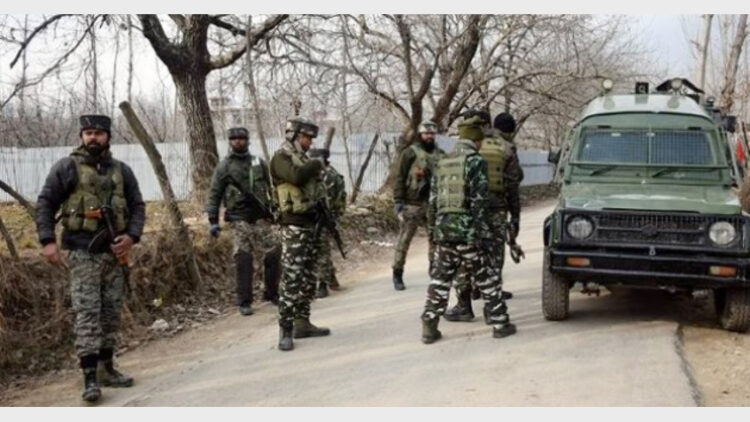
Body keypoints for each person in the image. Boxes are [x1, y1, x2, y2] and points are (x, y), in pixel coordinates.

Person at [35, 114, 146, 403]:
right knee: (87, 314)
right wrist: (47, 241)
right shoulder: (66, 168)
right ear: (81, 136)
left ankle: (107, 368)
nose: (92, 137)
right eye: (88, 133)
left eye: (98, 133)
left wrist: (131, 236)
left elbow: (137, 206)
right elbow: (45, 203)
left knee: (111, 313)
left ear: (108, 136)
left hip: (114, 254)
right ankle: (89, 378)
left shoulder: (122, 171)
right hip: (82, 252)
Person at [421, 115, 516, 344]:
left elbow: (432, 202)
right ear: (475, 139)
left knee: (440, 280)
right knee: (487, 278)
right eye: (480, 140)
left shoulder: (442, 161)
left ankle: (429, 327)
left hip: (444, 232)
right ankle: (500, 324)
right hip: (469, 234)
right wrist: (483, 234)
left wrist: (433, 232)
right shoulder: (475, 161)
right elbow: (479, 203)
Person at [444, 111, 524, 323]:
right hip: (496, 210)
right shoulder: (506, 148)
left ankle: (463, 305)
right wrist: (515, 218)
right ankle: (492, 308)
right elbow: (513, 186)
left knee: (465, 257)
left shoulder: (461, 148)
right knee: (493, 258)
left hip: (466, 211)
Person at [270, 117, 330, 351]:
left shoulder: (304, 158)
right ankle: (285, 329)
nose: (309, 142)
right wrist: (316, 164)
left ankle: (302, 323)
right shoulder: (281, 158)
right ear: (294, 136)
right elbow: (296, 176)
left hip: (312, 224)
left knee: (308, 277)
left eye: (311, 138)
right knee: (292, 279)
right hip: (294, 226)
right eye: (306, 137)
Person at [206, 127, 275, 316]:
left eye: (241, 138)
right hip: (239, 218)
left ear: (247, 140)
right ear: (230, 142)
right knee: (243, 258)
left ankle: (272, 293)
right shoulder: (224, 167)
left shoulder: (258, 163)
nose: (238, 141)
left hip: (261, 217)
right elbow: (214, 194)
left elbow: (272, 188)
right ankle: (244, 301)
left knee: (274, 252)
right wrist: (213, 220)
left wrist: (274, 210)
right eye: (234, 138)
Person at [391, 120, 445, 290]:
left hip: (433, 204)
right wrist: (398, 200)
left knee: (435, 239)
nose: (429, 136)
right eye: (426, 133)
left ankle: (434, 271)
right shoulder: (409, 153)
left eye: (432, 134)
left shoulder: (440, 153)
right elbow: (400, 177)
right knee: (404, 240)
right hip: (412, 203)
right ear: (420, 135)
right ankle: (397, 273)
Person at [308, 147, 347, 298]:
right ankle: (331, 279)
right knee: (315, 250)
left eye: (316, 158)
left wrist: (334, 217)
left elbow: (340, 199)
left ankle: (322, 284)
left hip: (325, 218)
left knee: (322, 250)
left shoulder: (332, 176)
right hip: (309, 218)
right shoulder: (307, 174)